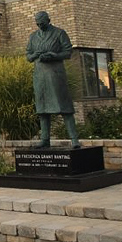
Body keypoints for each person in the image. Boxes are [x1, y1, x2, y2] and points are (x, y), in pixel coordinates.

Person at [26, 11, 81, 149]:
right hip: (40, 77)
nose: (40, 25)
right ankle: (45, 139)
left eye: (42, 23)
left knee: (65, 107)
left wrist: (54, 55)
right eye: (37, 23)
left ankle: (74, 139)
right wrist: (34, 55)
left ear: (48, 20)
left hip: (56, 75)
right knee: (42, 109)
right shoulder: (33, 36)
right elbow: (28, 56)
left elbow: (68, 52)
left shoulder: (59, 33)